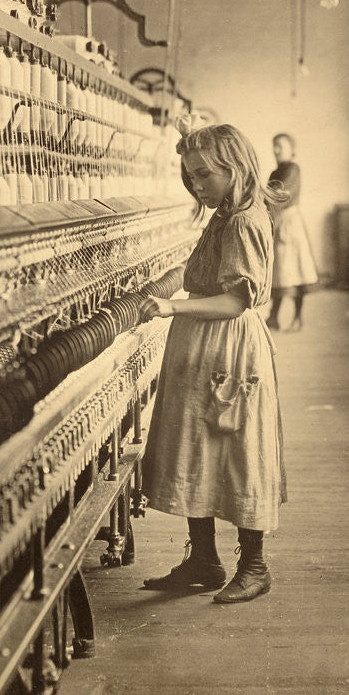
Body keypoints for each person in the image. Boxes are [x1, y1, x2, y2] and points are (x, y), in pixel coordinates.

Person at [138, 120, 287, 604]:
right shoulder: (225, 213)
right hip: (202, 345)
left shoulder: (243, 220)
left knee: (238, 451)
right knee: (195, 447)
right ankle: (203, 561)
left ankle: (255, 566)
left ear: (235, 168)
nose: (196, 185)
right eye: (190, 176)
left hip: (228, 346)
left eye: (205, 174)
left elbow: (235, 301)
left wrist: (171, 306)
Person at [266, 133, 318, 331]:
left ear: (292, 149)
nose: (276, 150)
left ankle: (297, 317)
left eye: (280, 146)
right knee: (280, 271)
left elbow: (281, 194)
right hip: (278, 222)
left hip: (290, 224)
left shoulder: (293, 169)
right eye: (274, 146)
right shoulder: (274, 173)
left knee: (296, 270)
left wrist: (264, 200)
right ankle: (274, 316)